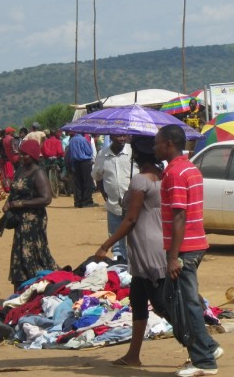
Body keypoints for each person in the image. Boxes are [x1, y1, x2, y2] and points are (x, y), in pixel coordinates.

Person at [154, 124, 222, 377]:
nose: (154, 147)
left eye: (157, 143)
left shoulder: (175, 173)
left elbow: (179, 215)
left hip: (185, 249)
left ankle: (204, 361)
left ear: (169, 144)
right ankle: (207, 347)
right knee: (173, 301)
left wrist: (173, 257)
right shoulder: (189, 168)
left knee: (186, 304)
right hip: (193, 244)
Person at [94, 136, 165, 368]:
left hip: (146, 247)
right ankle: (133, 354)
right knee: (137, 300)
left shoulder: (139, 181)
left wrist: (106, 245)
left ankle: (200, 346)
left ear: (136, 154)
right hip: (150, 244)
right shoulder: (162, 177)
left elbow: (131, 219)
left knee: (163, 305)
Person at [2, 139, 59, 291]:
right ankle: (20, 290)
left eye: (25, 155)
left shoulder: (38, 173)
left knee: (34, 252)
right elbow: (15, 191)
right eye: (20, 154)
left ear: (33, 155)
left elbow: (46, 198)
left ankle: (41, 286)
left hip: (34, 221)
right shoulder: (21, 170)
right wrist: (8, 202)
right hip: (21, 221)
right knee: (20, 252)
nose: (21, 157)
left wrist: (22, 203)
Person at [92, 134, 133, 261]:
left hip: (134, 205)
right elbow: (97, 175)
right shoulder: (102, 155)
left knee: (135, 238)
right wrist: (102, 189)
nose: (122, 138)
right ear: (111, 136)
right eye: (118, 136)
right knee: (116, 240)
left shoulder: (132, 152)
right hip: (113, 204)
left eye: (123, 136)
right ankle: (121, 265)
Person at [67, 133, 96, 208]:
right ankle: (87, 201)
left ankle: (78, 202)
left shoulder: (71, 141)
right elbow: (89, 151)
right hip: (85, 162)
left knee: (78, 183)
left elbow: (69, 153)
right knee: (87, 182)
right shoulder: (83, 140)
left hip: (75, 163)